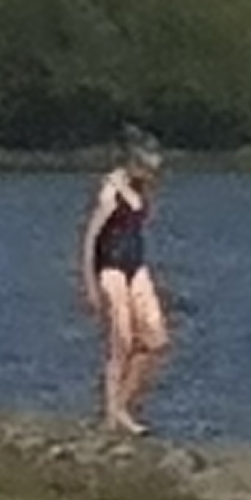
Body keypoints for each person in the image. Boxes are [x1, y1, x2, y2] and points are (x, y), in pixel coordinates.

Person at [78, 138, 171, 433]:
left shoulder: (140, 190)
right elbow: (91, 237)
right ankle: (112, 416)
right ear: (135, 165)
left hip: (135, 264)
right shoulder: (111, 191)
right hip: (111, 266)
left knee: (156, 340)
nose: (154, 177)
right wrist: (90, 282)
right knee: (121, 342)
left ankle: (121, 405)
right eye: (150, 171)